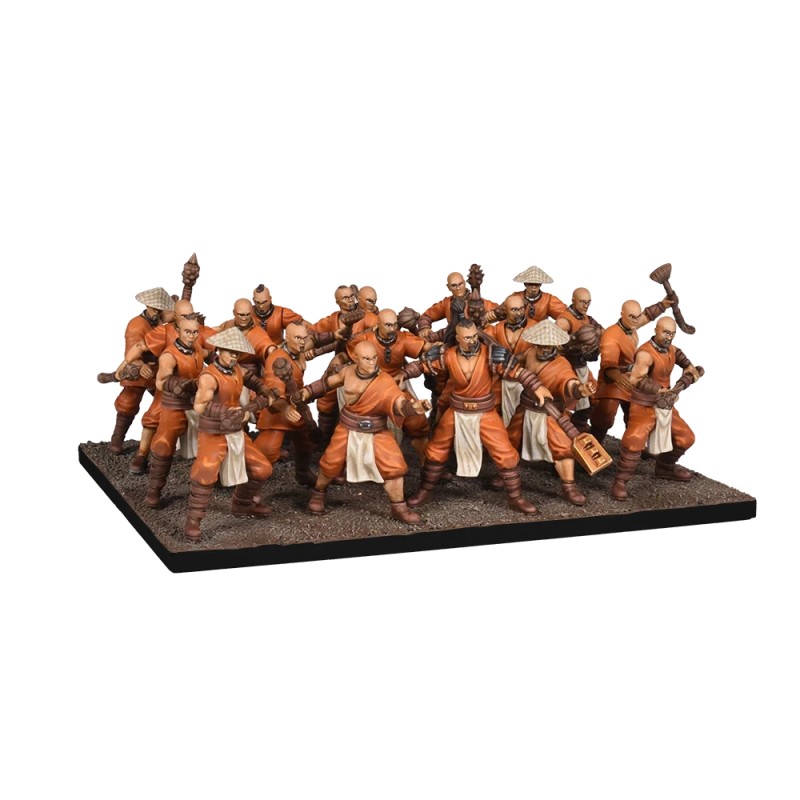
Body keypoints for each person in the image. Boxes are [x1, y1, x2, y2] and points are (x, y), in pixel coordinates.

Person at [403, 319, 552, 514]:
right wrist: (404, 374)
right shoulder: (446, 355)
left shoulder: (491, 355)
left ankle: (516, 497)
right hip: (456, 411)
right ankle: (426, 490)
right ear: (458, 338)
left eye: (474, 336)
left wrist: (536, 386)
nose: (472, 341)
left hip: (485, 413)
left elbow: (517, 371)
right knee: (435, 450)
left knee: (505, 453)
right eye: (467, 338)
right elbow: (422, 365)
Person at [301, 340, 430, 523]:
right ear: (355, 358)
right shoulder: (347, 372)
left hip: (377, 430)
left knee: (395, 466)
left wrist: (415, 407)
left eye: (374, 358)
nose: (372, 362)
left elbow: (399, 403)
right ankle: (318, 494)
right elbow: (326, 384)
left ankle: (399, 508)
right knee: (330, 463)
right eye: (366, 358)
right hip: (348, 427)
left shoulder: (384, 381)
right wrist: (307, 392)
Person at [184, 327, 278, 540]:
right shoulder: (209, 377)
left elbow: (254, 381)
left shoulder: (237, 370)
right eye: (230, 352)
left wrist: (266, 392)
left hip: (235, 431)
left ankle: (242, 504)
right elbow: (199, 406)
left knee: (262, 469)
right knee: (205, 472)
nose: (234, 356)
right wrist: (225, 411)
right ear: (219, 350)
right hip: (213, 432)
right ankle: (193, 519)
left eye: (237, 353)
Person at [610, 317, 702, 500]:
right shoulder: (645, 354)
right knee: (634, 441)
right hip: (643, 405)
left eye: (672, 334)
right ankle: (620, 482)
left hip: (665, 406)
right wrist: (659, 390)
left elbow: (680, 356)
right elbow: (635, 380)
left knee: (686, 438)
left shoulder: (672, 349)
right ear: (656, 330)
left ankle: (665, 467)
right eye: (666, 333)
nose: (669, 337)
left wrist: (689, 368)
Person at [505, 321, 596, 505]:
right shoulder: (530, 353)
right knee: (510, 441)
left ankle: (569, 486)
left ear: (555, 345)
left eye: (547, 346)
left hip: (550, 414)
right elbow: (514, 363)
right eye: (540, 345)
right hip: (525, 409)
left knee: (563, 448)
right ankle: (505, 475)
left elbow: (569, 383)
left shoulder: (561, 364)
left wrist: (580, 390)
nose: (543, 349)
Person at [346, 309, 432, 466]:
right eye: (387, 325)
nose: (392, 329)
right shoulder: (365, 340)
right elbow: (347, 355)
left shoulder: (403, 339)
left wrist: (406, 372)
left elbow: (429, 350)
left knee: (417, 423)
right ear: (378, 324)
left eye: (394, 325)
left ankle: (427, 466)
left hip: (396, 388)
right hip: (369, 392)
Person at [590, 296, 674, 443]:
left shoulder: (631, 325)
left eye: (637, 317)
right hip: (612, 382)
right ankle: (593, 442)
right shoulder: (611, 336)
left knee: (635, 416)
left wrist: (663, 305)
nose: (635, 320)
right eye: (632, 317)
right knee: (605, 416)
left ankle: (632, 447)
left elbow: (647, 316)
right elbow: (608, 365)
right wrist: (618, 377)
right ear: (622, 314)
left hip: (632, 379)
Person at [145, 314, 207, 509]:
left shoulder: (197, 348)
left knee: (216, 438)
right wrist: (179, 384)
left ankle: (213, 480)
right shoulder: (169, 356)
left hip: (197, 404)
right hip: (175, 406)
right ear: (178, 331)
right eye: (187, 332)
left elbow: (208, 358)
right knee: (164, 445)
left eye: (195, 332)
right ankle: (154, 489)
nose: (192, 336)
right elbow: (161, 382)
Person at [108, 287, 174, 454]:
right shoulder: (136, 325)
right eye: (154, 307)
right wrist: (140, 365)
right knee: (128, 402)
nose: (157, 311)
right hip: (139, 369)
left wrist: (188, 288)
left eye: (160, 308)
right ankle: (117, 438)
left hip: (157, 369)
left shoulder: (160, 320)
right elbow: (132, 350)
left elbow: (179, 315)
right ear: (147, 305)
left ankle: (159, 439)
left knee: (166, 401)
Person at [253, 321, 319, 487]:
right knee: (267, 449)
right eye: (297, 338)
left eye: (304, 338)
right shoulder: (277, 359)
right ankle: (249, 488)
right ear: (287, 338)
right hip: (277, 411)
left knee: (306, 442)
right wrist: (285, 408)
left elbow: (321, 339)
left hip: (297, 406)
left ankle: (303, 473)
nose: (302, 342)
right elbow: (273, 392)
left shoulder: (298, 351)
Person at [483, 293, 536, 425]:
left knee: (526, 414)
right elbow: (479, 336)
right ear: (505, 310)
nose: (519, 313)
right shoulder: (497, 329)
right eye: (514, 310)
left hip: (526, 379)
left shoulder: (536, 327)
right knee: (494, 408)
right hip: (503, 378)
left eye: (521, 309)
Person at [556, 287, 604, 432]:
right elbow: (556, 345)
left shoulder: (587, 318)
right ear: (573, 300)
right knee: (566, 399)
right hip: (566, 367)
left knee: (594, 396)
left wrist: (596, 342)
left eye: (588, 302)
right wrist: (575, 341)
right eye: (583, 302)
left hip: (581, 365)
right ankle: (563, 428)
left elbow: (601, 331)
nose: (586, 305)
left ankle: (579, 425)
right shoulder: (564, 321)